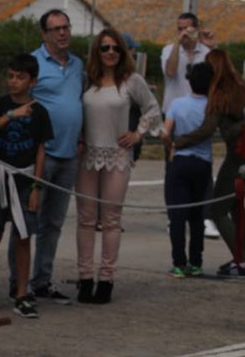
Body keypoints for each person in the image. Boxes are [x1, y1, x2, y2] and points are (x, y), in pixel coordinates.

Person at [75, 29, 161, 304]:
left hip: (118, 157)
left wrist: (138, 134)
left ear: (123, 52)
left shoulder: (131, 81)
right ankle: (85, 278)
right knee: (86, 219)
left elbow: (152, 108)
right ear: (96, 52)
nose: (110, 52)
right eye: (104, 48)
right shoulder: (87, 81)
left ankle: (106, 279)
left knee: (111, 220)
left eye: (115, 48)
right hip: (87, 155)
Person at [171, 49, 245, 279]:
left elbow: (207, 129)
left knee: (217, 209)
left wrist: (178, 141)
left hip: (236, 156)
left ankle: (241, 262)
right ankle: (241, 259)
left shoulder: (220, 93)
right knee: (237, 207)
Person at [0, 54, 52, 319]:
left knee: (23, 238)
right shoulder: (0, 104)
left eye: (20, 77)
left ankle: (22, 293)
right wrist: (12, 115)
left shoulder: (40, 112)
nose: (14, 82)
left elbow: (41, 151)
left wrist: (37, 187)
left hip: (24, 181)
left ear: (32, 81)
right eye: (11, 76)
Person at [24, 9, 84, 306]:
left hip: (69, 155)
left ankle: (42, 281)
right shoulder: (34, 63)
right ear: (44, 34)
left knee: (54, 223)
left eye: (66, 27)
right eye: (56, 29)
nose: (63, 33)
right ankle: (18, 284)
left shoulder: (77, 65)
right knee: (27, 221)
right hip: (42, 154)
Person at [160, 12, 218, 238]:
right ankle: (174, 216)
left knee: (203, 165)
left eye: (187, 28)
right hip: (174, 113)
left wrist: (211, 47)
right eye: (179, 29)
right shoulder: (169, 50)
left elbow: (219, 75)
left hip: (202, 113)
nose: (183, 33)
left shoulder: (206, 52)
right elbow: (171, 71)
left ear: (197, 28)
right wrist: (179, 44)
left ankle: (205, 217)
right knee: (173, 168)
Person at [161, 62, 214, 278]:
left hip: (179, 162)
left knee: (177, 216)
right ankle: (196, 262)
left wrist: (170, 148)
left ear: (189, 80)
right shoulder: (212, 106)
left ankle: (178, 263)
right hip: (203, 163)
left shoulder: (177, 104)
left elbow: (166, 132)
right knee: (196, 216)